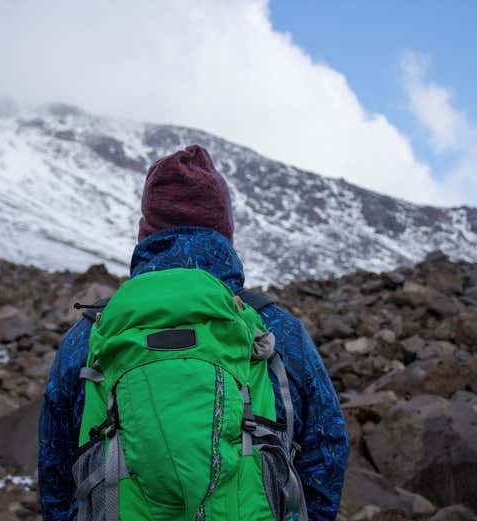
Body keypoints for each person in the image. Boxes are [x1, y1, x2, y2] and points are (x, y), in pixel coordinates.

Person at [39, 145, 349, 521]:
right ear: (225, 232)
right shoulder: (275, 327)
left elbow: (55, 466)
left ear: (145, 233)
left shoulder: (92, 335)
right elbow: (327, 447)